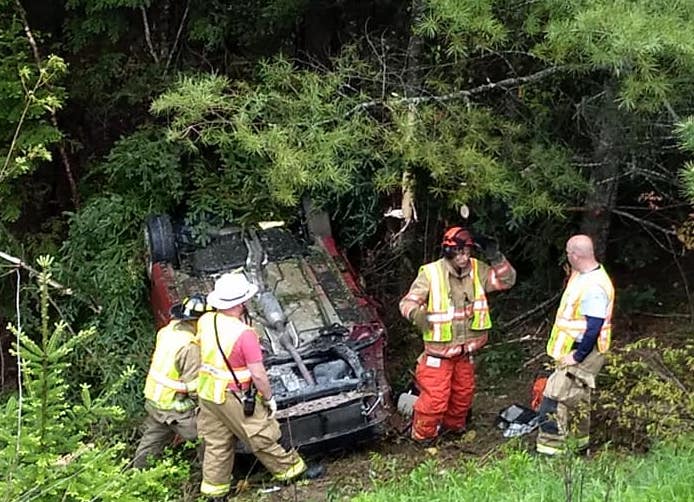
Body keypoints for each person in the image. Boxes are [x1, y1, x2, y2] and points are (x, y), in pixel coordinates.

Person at [196, 272, 323, 501]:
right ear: (242, 302)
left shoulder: (206, 321)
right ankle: (292, 472)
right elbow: (258, 374)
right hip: (233, 396)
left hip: (208, 394)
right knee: (262, 435)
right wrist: (268, 397)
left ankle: (214, 493)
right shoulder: (245, 335)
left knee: (217, 443)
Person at [399, 226, 516, 444]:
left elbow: (507, 280)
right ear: (448, 251)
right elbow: (407, 302)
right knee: (435, 400)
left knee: (462, 397)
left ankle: (453, 431)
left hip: (466, 353)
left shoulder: (477, 270)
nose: (464, 257)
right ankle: (423, 438)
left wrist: (496, 257)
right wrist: (416, 314)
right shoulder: (431, 273)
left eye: (467, 252)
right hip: (438, 355)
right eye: (460, 253)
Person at [536, 234, 615, 455]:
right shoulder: (582, 275)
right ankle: (579, 446)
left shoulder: (594, 286)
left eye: (568, 253)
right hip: (578, 348)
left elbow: (594, 326)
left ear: (576, 255)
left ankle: (550, 451)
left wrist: (578, 356)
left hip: (585, 351)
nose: (567, 257)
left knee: (554, 396)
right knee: (577, 398)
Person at [132, 294, 209, 468]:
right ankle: (209, 475)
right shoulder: (190, 347)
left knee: (151, 442)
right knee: (209, 436)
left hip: (155, 400)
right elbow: (195, 387)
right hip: (176, 408)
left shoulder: (167, 331)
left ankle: (136, 477)